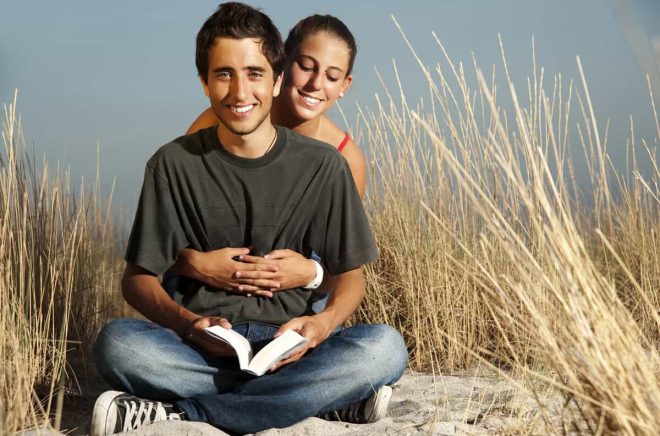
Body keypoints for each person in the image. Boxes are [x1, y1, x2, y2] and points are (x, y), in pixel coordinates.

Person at [90, 3, 407, 435]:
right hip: (202, 348)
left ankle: (185, 415)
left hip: (290, 345)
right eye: (224, 74)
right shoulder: (172, 163)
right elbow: (138, 279)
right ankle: (314, 400)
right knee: (119, 345)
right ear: (204, 82)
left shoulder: (329, 164)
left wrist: (319, 324)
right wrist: (189, 322)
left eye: (255, 74)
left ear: (276, 79)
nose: (240, 92)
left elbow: (349, 275)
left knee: (384, 349)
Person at [169, 13, 366, 301]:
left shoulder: (345, 159)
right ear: (283, 62)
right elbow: (165, 234)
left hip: (296, 303)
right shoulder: (225, 115)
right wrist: (198, 265)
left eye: (332, 76)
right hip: (206, 290)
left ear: (345, 85)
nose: (315, 83)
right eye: (306, 67)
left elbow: (344, 269)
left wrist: (311, 272)